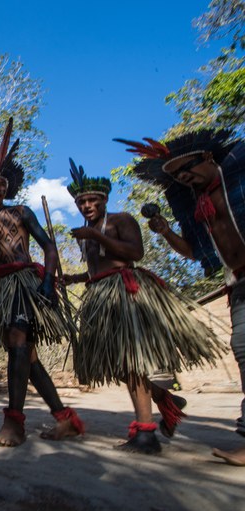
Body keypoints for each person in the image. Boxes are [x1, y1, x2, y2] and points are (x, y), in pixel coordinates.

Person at [65, 157, 224, 454]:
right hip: (101, 295)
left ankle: (146, 434)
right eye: (81, 202)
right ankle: (166, 399)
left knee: (132, 362)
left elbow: (134, 253)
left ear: (104, 200)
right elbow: (95, 268)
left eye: (92, 200)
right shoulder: (85, 235)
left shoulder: (121, 220)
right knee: (119, 365)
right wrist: (72, 277)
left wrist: (96, 235)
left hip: (126, 293)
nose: (86, 206)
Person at [115, 130, 245, 464]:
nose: (183, 177)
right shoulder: (198, 205)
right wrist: (166, 230)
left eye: (186, 168)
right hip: (239, 282)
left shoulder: (237, 177)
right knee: (243, 349)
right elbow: (195, 252)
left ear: (209, 158)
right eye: (174, 175)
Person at [0, 119, 83, 447]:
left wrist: (46, 283)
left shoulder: (22, 213)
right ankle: (65, 419)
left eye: (1, 185)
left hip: (25, 283)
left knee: (17, 341)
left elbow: (49, 246)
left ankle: (14, 423)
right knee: (27, 357)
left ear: (7, 190)